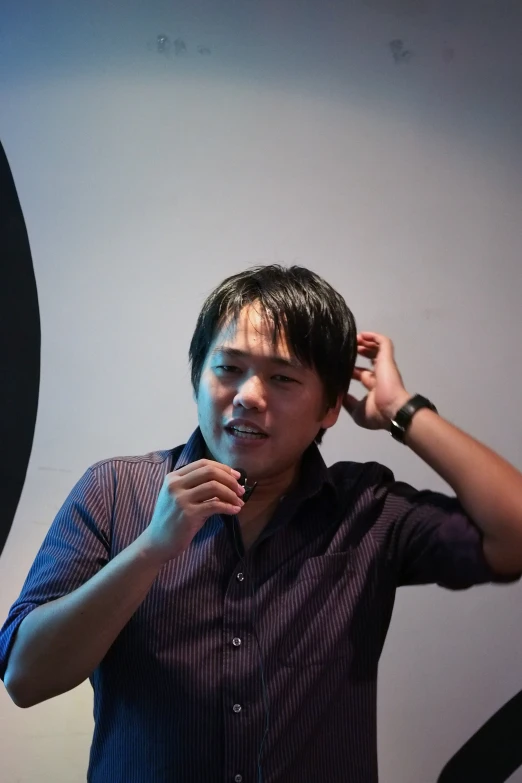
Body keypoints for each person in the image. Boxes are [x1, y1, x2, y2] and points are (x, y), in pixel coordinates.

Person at [1, 264, 521, 783]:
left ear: (331, 406)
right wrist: (150, 551)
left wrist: (402, 410)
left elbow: (513, 536)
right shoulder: (116, 491)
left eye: (283, 377)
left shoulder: (363, 507)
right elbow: (26, 679)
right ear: (197, 376)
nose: (248, 395)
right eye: (228, 368)